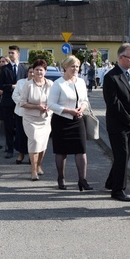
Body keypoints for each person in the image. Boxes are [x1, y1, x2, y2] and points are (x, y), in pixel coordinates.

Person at [103, 43, 130, 202]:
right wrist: (128, 119)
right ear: (121, 58)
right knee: (122, 156)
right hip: (118, 124)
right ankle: (118, 190)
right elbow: (113, 104)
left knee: (124, 157)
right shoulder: (111, 77)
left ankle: (111, 182)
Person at [47, 55, 91, 191]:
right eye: (72, 66)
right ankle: (61, 178)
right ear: (65, 67)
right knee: (61, 151)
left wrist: (81, 109)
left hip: (77, 119)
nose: (75, 69)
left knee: (81, 150)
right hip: (61, 120)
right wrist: (68, 111)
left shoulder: (81, 82)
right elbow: (51, 104)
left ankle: (82, 180)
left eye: (77, 66)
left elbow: (85, 100)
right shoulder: (58, 83)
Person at [19, 60, 53, 180]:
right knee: (34, 140)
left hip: (45, 119)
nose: (39, 72)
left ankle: (39, 165)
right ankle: (33, 170)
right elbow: (22, 103)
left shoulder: (50, 84)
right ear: (33, 71)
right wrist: (36, 107)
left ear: (45, 71)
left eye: (41, 70)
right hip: (30, 118)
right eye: (36, 69)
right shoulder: (28, 85)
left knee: (43, 144)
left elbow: (54, 101)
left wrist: (49, 107)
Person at [11, 68, 34, 164]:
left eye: (34, 72)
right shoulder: (20, 82)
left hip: (33, 113)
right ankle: (21, 154)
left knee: (31, 136)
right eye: (30, 72)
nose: (32, 74)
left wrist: (30, 103)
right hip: (20, 112)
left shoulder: (38, 84)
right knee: (20, 135)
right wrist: (24, 102)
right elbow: (14, 95)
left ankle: (31, 155)